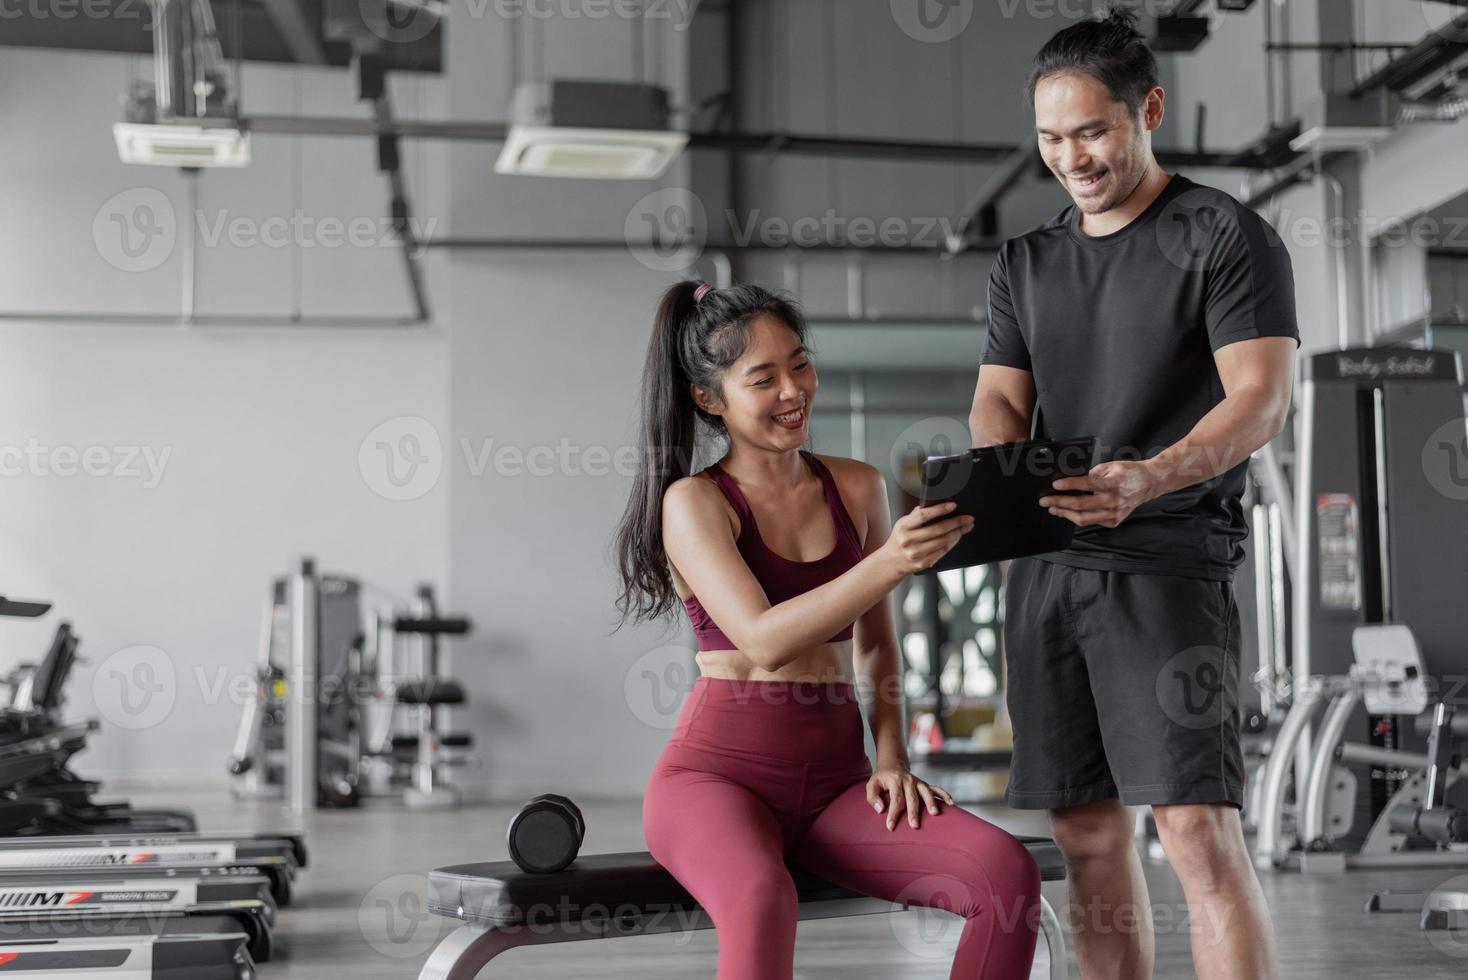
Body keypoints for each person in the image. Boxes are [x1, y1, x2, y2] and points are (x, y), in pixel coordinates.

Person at [969, 9, 1299, 980]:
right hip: (1045, 568)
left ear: (1148, 109)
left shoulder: (1224, 236)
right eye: (1050, 138)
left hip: (1163, 564)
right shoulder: (1024, 262)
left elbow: (1261, 397)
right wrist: (1001, 468)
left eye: (1091, 130)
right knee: (1084, 835)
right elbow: (997, 392)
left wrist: (1148, 476)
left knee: (1195, 828)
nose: (1070, 156)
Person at [615, 280, 1041, 979]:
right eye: (763, 377)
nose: (793, 390)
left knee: (1004, 876)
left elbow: (876, 647)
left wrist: (894, 758)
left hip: (839, 785)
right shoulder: (694, 503)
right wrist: (893, 561)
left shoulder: (857, 487)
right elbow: (762, 638)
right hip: (716, 781)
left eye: (799, 363)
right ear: (708, 398)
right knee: (761, 899)